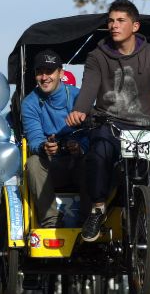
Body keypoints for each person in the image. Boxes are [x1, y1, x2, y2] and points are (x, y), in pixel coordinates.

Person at [66, 0, 150, 293]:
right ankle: (98, 209)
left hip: (146, 128)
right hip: (111, 125)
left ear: (135, 26)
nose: (114, 26)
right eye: (111, 21)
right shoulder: (97, 56)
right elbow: (88, 88)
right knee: (99, 149)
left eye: (120, 21)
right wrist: (79, 109)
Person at [22, 49, 88, 228]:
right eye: (39, 72)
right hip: (53, 166)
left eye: (49, 71)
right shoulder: (29, 103)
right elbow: (34, 139)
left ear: (61, 73)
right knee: (34, 162)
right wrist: (44, 146)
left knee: (96, 157)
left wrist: (80, 147)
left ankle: (90, 218)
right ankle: (51, 221)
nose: (44, 77)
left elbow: (92, 132)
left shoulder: (78, 96)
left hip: (80, 162)